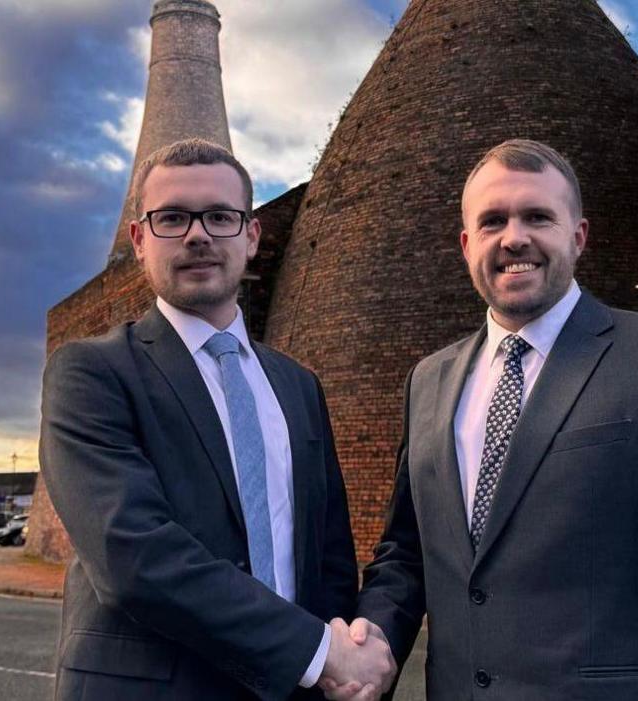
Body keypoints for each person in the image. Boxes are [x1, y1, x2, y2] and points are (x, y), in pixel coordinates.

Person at [338, 140, 638, 700]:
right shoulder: (428, 381)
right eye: (493, 221)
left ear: (578, 237)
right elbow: (407, 552)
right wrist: (371, 637)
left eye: (537, 217)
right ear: (466, 244)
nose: (514, 237)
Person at [40, 138, 395, 700]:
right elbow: (134, 554)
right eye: (173, 217)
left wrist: (338, 664)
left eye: (220, 217)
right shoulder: (91, 373)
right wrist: (318, 653)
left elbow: (327, 554)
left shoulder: (298, 385)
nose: (198, 234)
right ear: (139, 239)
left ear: (251, 235)